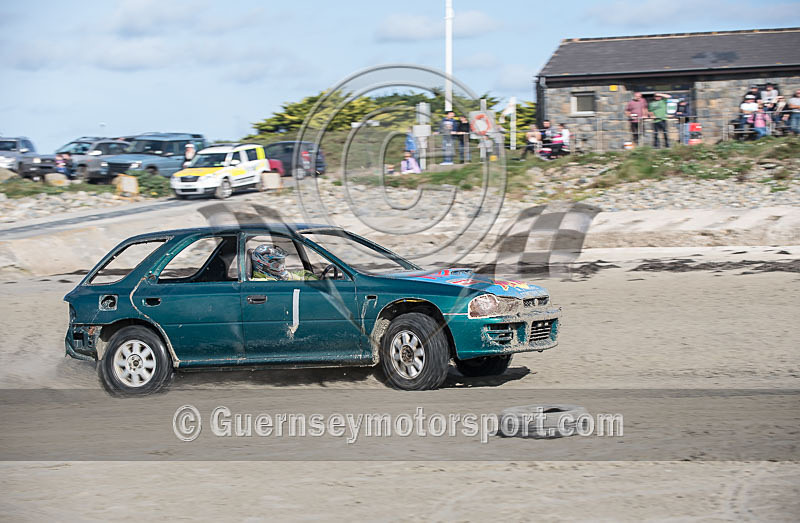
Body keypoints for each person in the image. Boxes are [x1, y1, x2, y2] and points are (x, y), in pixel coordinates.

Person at [251, 244, 317, 281]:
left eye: (282, 262)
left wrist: (310, 278)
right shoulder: (260, 282)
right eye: (277, 264)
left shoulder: (279, 275)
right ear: (262, 264)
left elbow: (304, 273)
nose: (282, 267)